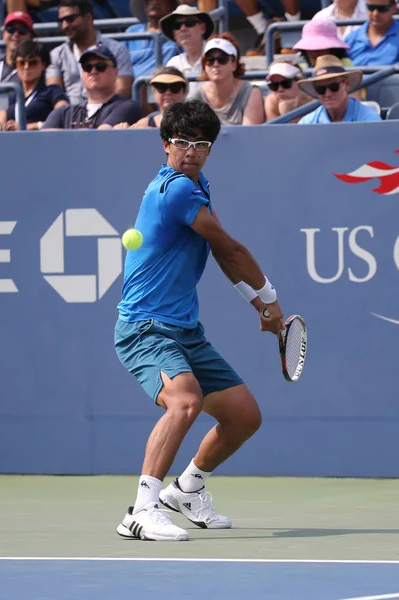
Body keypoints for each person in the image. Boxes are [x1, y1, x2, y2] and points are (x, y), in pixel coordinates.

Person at [114, 98, 285, 542]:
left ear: (210, 150)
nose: (191, 151)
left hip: (185, 331)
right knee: (185, 401)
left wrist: (257, 306)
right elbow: (232, 249)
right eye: (182, 142)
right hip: (144, 327)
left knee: (244, 417)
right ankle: (142, 509)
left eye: (201, 144)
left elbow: (219, 250)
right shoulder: (175, 190)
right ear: (165, 144)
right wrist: (271, 303)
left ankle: (186, 489)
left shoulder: (198, 183)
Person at [46, 0, 133, 104]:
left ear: (88, 18)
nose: (64, 26)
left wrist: (97, 112)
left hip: (108, 113)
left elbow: (122, 91)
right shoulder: (56, 54)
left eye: (70, 19)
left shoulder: (117, 49)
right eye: (61, 21)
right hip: (70, 115)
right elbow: (54, 94)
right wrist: (68, 116)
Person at [43, 44, 141, 129]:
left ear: (116, 73)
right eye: (87, 67)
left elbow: (99, 137)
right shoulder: (63, 113)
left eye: (100, 66)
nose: (93, 71)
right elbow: (44, 139)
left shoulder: (128, 107)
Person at [189, 34, 265, 125]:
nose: (216, 64)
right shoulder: (196, 95)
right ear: (204, 65)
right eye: (210, 60)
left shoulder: (250, 92)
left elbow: (249, 135)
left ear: (234, 64)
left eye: (222, 59)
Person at [1, 40, 68, 131]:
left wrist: (30, 126)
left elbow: (64, 118)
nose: (26, 67)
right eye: (21, 63)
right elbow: (1, 122)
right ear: (15, 65)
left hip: (41, 142)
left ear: (43, 65)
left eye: (33, 63)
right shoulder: (8, 93)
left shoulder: (53, 91)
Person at [297, 54, 381, 123]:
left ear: (346, 84)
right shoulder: (307, 123)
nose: (328, 94)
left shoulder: (369, 119)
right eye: (321, 89)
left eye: (334, 87)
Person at [160, 4, 214, 95]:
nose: (183, 28)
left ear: (203, 28)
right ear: (174, 34)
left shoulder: (219, 57)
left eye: (189, 23)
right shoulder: (173, 64)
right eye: (177, 26)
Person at [125, 0, 178, 79]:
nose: (154, 2)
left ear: (171, 4)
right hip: (133, 86)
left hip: (165, 87)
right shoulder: (132, 31)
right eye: (148, 0)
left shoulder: (179, 30)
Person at [344, 0, 399, 65]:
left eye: (382, 9)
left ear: (394, 8)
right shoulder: (351, 38)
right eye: (371, 7)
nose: (375, 13)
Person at [0, 11, 34, 85]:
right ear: (3, 33)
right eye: (10, 29)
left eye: (22, 30)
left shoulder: (35, 69)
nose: (16, 34)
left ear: (31, 36)